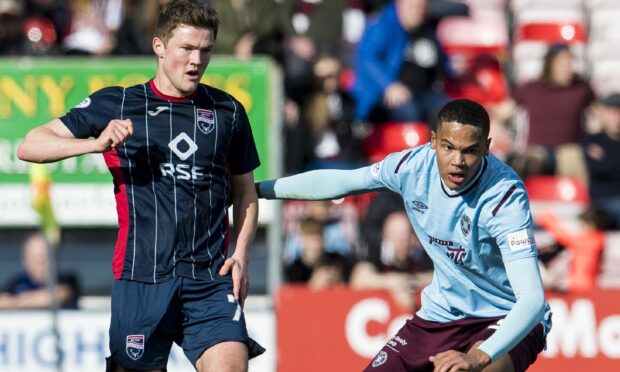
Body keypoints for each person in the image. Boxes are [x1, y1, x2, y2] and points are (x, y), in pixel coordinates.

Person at [17, 1, 264, 371]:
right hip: (141, 278)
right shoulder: (118, 104)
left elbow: (245, 192)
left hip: (209, 280)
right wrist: (93, 144)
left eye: (206, 50)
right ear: (159, 46)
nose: (196, 60)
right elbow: (30, 144)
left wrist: (242, 254)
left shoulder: (227, 111)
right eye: (186, 49)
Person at [257, 98, 551, 371]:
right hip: (444, 315)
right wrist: (260, 189)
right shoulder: (411, 167)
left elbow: (532, 301)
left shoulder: (505, 197)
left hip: (506, 317)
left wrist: (476, 356)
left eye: (470, 151)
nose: (458, 161)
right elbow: (343, 182)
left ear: (486, 147)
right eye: (448, 147)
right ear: (433, 141)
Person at [495, 43, 595, 180]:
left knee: (584, 165)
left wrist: (594, 140)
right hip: (537, 151)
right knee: (522, 164)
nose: (568, 67)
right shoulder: (530, 88)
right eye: (563, 63)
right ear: (551, 65)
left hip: (569, 151)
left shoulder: (582, 88)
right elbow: (502, 113)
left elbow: (599, 116)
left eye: (570, 62)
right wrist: (501, 133)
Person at [350, 0, 452, 125]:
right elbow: (367, 60)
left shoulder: (428, 29)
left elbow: (442, 61)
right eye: (413, 7)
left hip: (424, 92)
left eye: (423, 7)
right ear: (399, 5)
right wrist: (389, 85)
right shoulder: (382, 26)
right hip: (384, 96)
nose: (419, 11)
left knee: (450, 113)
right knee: (409, 112)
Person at [350, 211, 433, 310]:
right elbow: (359, 279)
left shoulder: (420, 254)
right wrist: (391, 283)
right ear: (386, 237)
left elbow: (438, 277)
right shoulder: (377, 253)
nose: (404, 243)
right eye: (398, 238)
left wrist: (410, 281)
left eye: (407, 237)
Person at [536, 206, 613, 292]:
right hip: (582, 286)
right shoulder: (597, 239)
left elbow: (565, 237)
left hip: (584, 287)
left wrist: (547, 219)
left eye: (583, 224)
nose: (581, 228)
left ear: (592, 225)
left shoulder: (594, 241)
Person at [0, 232, 80, 310]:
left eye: (43, 257)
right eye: (34, 258)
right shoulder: (17, 283)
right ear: (24, 260)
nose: (39, 263)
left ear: (55, 258)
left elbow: (57, 296)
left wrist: (16, 303)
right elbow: (3, 301)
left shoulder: (67, 280)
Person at [583, 93, 620, 229]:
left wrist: (607, 159)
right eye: (612, 112)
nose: (617, 118)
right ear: (602, 114)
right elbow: (597, 168)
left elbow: (606, 166)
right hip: (602, 204)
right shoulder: (592, 139)